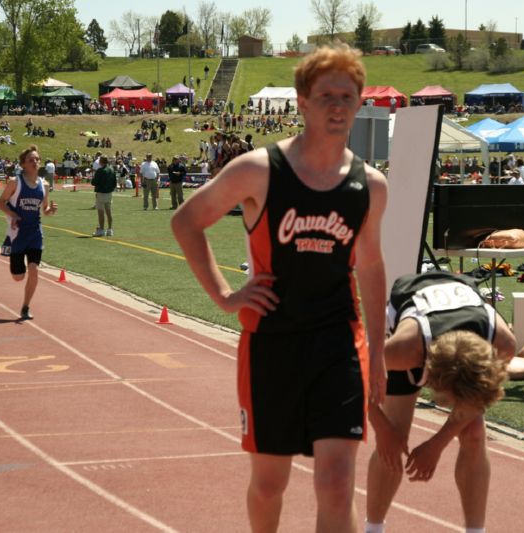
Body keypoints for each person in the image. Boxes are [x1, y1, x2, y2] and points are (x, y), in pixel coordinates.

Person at [171, 44, 388, 532]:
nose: (337, 105)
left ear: (359, 102)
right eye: (325, 95)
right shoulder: (259, 170)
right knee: (270, 484)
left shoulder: (370, 186)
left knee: (335, 482)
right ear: (302, 102)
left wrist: (377, 351)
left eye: (347, 96)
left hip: (338, 343)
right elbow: (187, 222)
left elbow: (371, 267)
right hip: (273, 343)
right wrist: (226, 296)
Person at [365, 271, 515, 533]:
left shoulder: (503, 344)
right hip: (414, 316)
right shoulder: (401, 351)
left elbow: (476, 399)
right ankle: (373, 529)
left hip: (462, 319)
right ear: (434, 379)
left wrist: (437, 444)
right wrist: (381, 428)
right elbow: (347, 376)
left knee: (475, 432)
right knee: (395, 436)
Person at [0, 145, 57, 320]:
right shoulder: (15, 182)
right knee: (18, 277)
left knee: (34, 269)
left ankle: (25, 306)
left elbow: (44, 209)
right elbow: (0, 202)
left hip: (35, 232)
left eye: (37, 159)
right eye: (31, 160)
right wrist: (13, 214)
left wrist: (50, 210)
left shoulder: (44, 185)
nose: (35, 162)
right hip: (17, 234)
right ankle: (17, 269)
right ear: (23, 164)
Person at [91, 156, 116, 237]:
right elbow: (114, 182)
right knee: (109, 211)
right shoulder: (112, 169)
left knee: (101, 212)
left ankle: (101, 229)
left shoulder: (100, 170)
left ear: (101, 161)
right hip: (109, 193)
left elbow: (94, 182)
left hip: (101, 192)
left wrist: (93, 176)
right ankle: (110, 229)